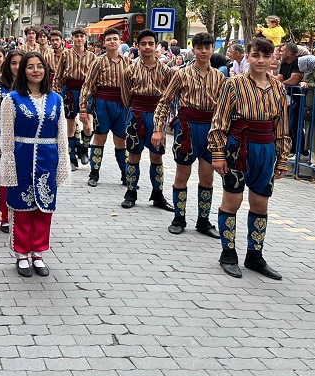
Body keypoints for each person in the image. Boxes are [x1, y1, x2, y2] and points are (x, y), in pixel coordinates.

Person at [209, 37, 290, 280]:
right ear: (249, 56)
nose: (261, 60)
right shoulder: (233, 85)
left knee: (260, 204)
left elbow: (282, 126)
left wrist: (282, 157)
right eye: (256, 55)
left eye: (266, 56)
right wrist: (218, 153)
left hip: (266, 150)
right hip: (238, 149)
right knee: (232, 201)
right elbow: (220, 120)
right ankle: (228, 254)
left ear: (273, 58)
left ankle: (254, 255)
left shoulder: (278, 88)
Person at [0, 51, 70, 277]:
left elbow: (61, 135)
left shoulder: (56, 99)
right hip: (22, 157)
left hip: (48, 159)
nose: (36, 70)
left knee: (44, 209)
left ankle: (38, 252)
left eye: (40, 66)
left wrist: (62, 163)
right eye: (30, 66)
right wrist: (8, 166)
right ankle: (21, 253)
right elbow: (7, 136)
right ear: (22, 71)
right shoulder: (11, 99)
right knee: (21, 208)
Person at [152, 32, 224, 238]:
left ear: (212, 50)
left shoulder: (219, 77)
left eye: (207, 47)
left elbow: (225, 108)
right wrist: (158, 128)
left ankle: (203, 220)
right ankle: (179, 217)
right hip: (186, 128)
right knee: (182, 174)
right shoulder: (181, 74)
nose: (203, 51)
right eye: (199, 47)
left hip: (210, 130)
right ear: (193, 49)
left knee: (207, 177)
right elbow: (165, 102)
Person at [119, 29, 174, 211]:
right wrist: (137, 108)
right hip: (136, 114)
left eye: (151, 43)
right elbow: (126, 97)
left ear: (156, 46)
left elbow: (169, 96)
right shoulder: (130, 70)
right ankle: (131, 192)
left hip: (158, 116)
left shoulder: (166, 71)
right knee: (133, 153)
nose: (147, 47)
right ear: (138, 46)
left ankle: (158, 194)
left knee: (157, 155)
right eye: (143, 44)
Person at [78, 28, 131, 187]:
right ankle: (94, 173)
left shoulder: (128, 62)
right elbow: (87, 85)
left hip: (122, 105)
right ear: (104, 43)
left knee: (121, 141)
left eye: (115, 39)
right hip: (102, 103)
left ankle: (125, 173)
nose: (112, 42)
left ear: (120, 42)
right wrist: (83, 108)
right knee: (100, 138)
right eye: (109, 40)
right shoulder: (98, 62)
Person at [0, 49, 23, 233]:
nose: (17, 67)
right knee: (4, 178)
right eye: (13, 63)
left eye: (20, 63)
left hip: (26, 140)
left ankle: (22, 215)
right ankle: (5, 216)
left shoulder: (34, 87)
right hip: (3, 139)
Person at [53, 27, 96, 170]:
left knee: (88, 124)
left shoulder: (92, 56)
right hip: (69, 90)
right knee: (70, 124)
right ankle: (71, 158)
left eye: (81, 36)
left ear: (85, 38)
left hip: (86, 90)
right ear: (72, 39)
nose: (79, 39)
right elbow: (58, 75)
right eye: (76, 36)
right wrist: (57, 93)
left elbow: (96, 77)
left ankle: (84, 149)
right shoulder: (66, 54)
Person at [278, 43, 305, 158]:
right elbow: (280, 78)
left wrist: (282, 83)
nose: (279, 53)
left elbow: (294, 80)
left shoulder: (298, 62)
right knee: (288, 125)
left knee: (296, 125)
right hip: (290, 98)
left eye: (281, 51)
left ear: (288, 53)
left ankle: (303, 151)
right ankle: (293, 149)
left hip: (301, 97)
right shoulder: (283, 63)